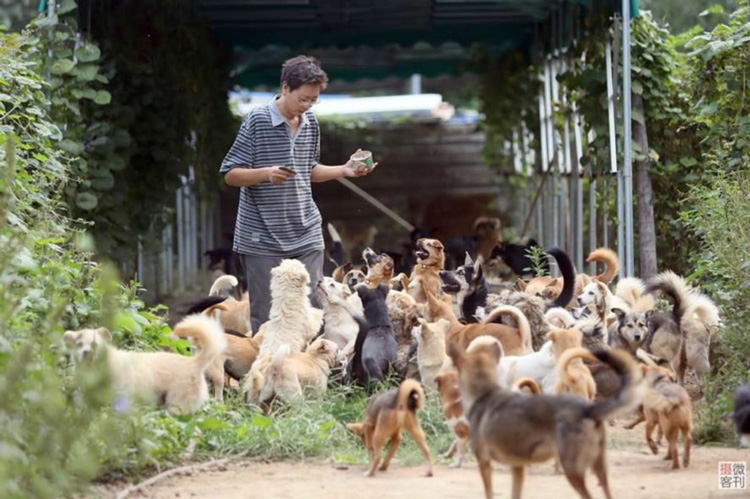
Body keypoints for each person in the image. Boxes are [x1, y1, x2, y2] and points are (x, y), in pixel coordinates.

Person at [220, 55, 377, 334]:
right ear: (285, 88)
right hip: (261, 236)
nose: (307, 106)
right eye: (303, 99)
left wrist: (344, 170)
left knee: (315, 308)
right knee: (267, 315)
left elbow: (309, 170)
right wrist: (265, 173)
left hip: (305, 231)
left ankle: (310, 371)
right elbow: (231, 174)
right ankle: (267, 374)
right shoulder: (256, 120)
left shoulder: (310, 123)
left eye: (313, 100)